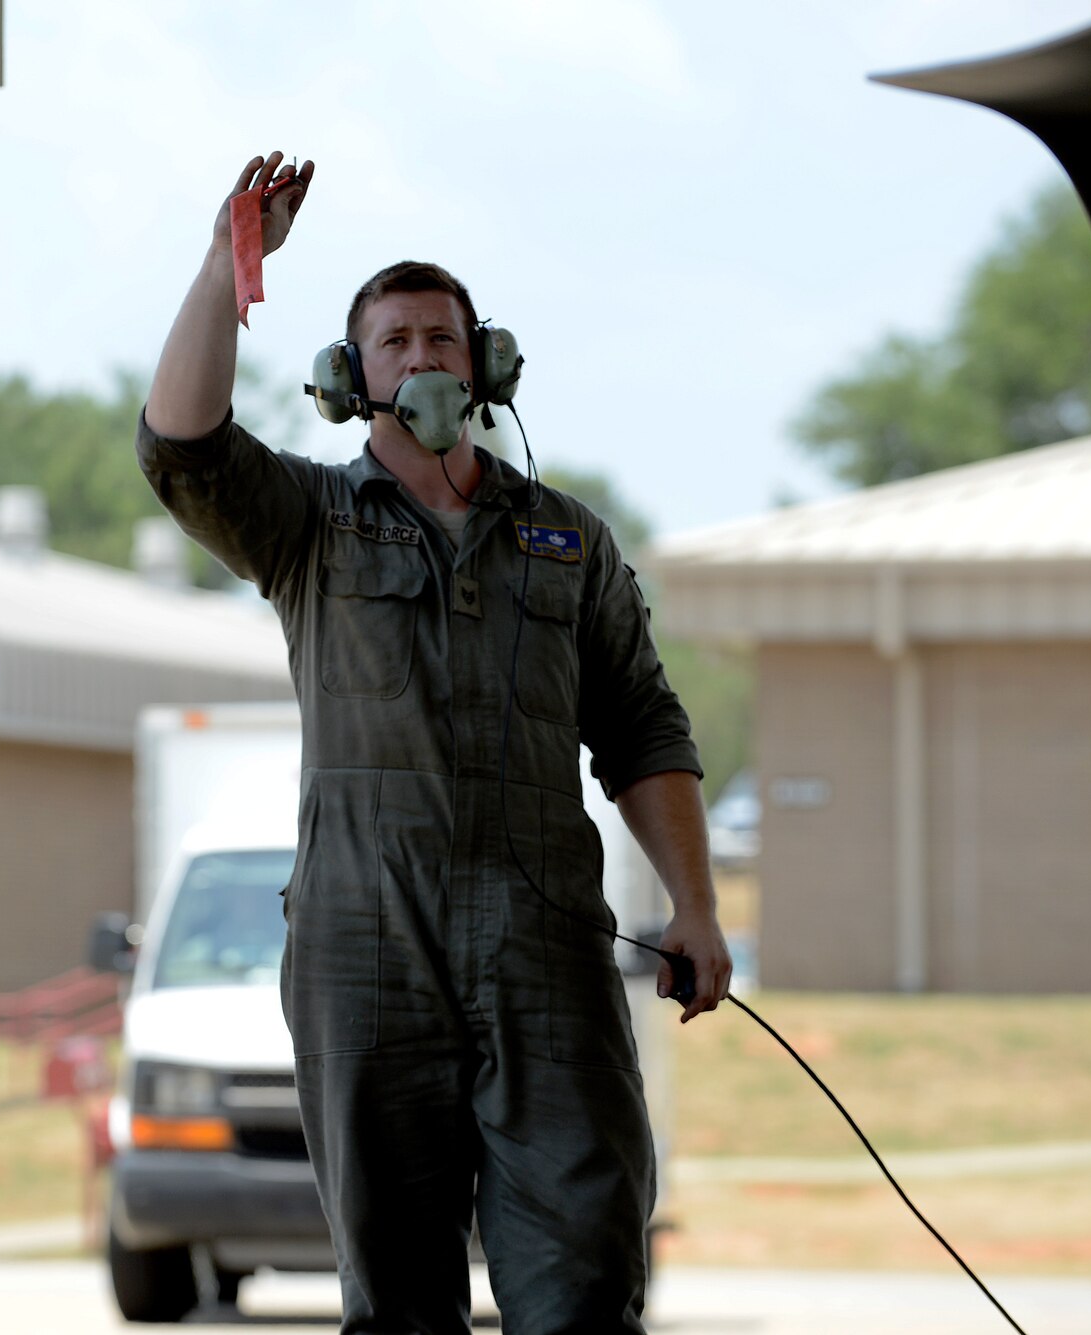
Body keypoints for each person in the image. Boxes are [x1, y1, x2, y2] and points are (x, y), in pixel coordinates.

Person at [136, 150, 733, 1335]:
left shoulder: (566, 540)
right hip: (366, 949)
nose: (421, 360)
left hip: (546, 954)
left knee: (582, 1280)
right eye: (394, 342)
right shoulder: (306, 522)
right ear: (348, 377)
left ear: (487, 364)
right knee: (397, 1294)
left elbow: (641, 728)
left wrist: (696, 906)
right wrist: (224, 264)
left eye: (442, 340)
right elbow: (180, 445)